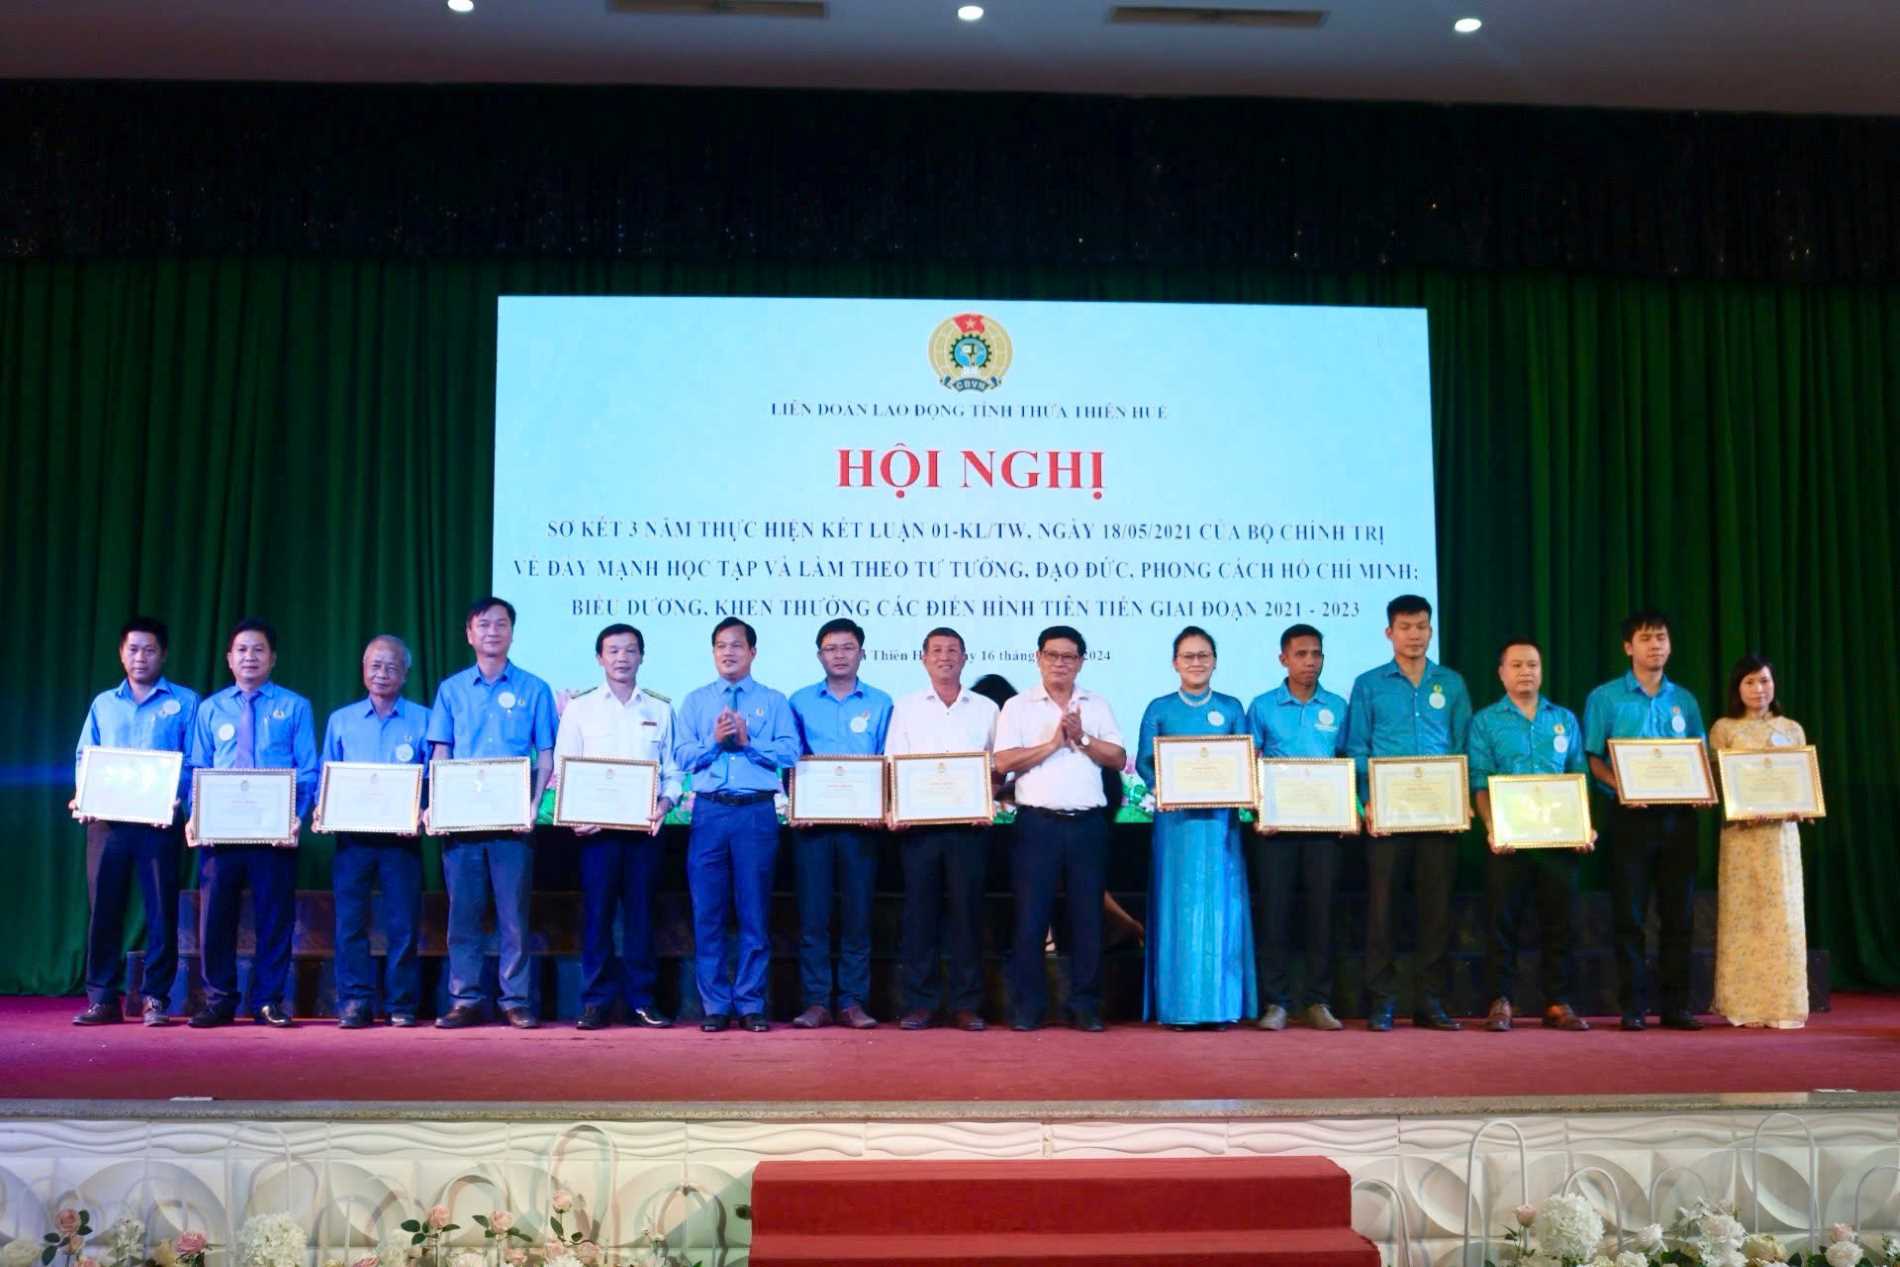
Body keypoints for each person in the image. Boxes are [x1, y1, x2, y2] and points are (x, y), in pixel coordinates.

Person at [426, 596, 556, 1029]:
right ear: (469, 634)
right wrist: (440, 806)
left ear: (512, 633)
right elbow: (441, 752)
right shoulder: (451, 689)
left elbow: (546, 755)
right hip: (462, 824)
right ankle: (465, 999)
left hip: (514, 824)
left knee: (513, 916)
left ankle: (515, 1000)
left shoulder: (534, 688)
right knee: (463, 914)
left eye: (501, 624)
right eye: (483, 625)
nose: (492, 632)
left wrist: (534, 804)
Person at [1343, 595, 1472, 1032]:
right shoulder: (1368, 684)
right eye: (1405, 627)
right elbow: (1358, 749)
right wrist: (1367, 802)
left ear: (1431, 630)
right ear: (1389, 633)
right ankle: (1382, 1002)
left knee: (1436, 914)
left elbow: (1461, 746)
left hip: (1439, 816)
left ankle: (1431, 1001)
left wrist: (1458, 798)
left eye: (1421, 626)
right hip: (1388, 817)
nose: (1414, 635)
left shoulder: (1451, 683)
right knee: (1383, 912)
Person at [185, 618, 318, 1029]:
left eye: (259, 649)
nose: (250, 657)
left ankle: (267, 1000)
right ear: (229, 658)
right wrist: (195, 814)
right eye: (241, 649)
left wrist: (296, 819)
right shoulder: (210, 709)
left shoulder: (295, 707)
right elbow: (197, 768)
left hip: (275, 835)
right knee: (215, 919)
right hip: (219, 835)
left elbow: (308, 771)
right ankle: (219, 999)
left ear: (273, 658)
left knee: (275, 919)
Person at [994, 625, 1126, 1032]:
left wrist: (1081, 737)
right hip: (1038, 825)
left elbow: (1118, 758)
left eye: (1068, 656)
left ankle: (1084, 1005)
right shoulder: (1018, 706)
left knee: (1087, 919)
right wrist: (1052, 744)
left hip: (1087, 825)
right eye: (1052, 655)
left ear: (1081, 661)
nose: (1060, 663)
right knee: (1031, 919)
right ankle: (1028, 1007)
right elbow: (1003, 762)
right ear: (1038, 658)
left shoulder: (1097, 704)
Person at [1583, 609, 1708, 1031]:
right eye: (1646, 638)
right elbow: (1592, 759)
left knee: (1680, 915)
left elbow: (1699, 758)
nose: (1655, 645)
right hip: (1629, 819)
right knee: (1629, 915)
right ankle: (1633, 1006)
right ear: (1628, 646)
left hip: (1680, 820)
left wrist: (1703, 788)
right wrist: (1620, 788)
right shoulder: (1605, 697)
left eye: (1662, 638)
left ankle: (1676, 1006)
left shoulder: (1684, 700)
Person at [674, 616, 801, 1033]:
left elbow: (789, 754)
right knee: (708, 911)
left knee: (753, 910)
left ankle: (750, 1003)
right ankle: (714, 1005)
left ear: (753, 652)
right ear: (713, 653)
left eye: (737, 645)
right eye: (721, 646)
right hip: (710, 812)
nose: (728, 652)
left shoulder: (774, 700)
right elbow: (683, 758)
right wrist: (715, 742)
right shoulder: (694, 702)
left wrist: (749, 743)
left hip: (755, 813)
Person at [70, 617, 199, 1027]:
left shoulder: (186, 702)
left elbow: (193, 761)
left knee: (161, 912)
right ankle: (102, 998)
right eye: (133, 649)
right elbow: (84, 757)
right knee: (104, 909)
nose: (140, 657)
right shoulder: (104, 704)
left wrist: (173, 801)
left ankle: (156, 997)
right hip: (106, 825)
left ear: (163, 654)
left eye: (149, 650)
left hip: (159, 825)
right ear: (121, 654)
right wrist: (85, 795)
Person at [553, 622, 682, 1031]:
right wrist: (576, 816)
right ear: (599, 659)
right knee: (597, 918)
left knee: (643, 918)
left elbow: (674, 771)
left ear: (642, 656)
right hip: (597, 836)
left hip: (644, 833)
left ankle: (643, 1000)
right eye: (613, 651)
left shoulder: (660, 708)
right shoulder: (581, 708)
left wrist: (665, 802)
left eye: (630, 650)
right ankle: (595, 1001)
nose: (622, 658)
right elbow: (563, 768)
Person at [1467, 638, 1593, 1033]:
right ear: (1501, 673)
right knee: (1501, 923)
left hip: (1558, 840)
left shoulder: (1564, 719)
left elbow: (1578, 779)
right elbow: (1479, 782)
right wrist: (1491, 827)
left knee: (1562, 923)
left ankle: (1558, 1001)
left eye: (1533, 665)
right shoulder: (1486, 721)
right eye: (1517, 665)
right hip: (1507, 841)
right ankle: (1500, 1001)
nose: (1526, 672)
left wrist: (1583, 826)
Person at [1136, 626, 1255, 1029]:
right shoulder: (1159, 708)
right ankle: (1177, 1008)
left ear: (1215, 660)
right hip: (1176, 828)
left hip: (1221, 826)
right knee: (1177, 910)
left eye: (1203, 655)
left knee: (1222, 912)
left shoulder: (1232, 707)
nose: (1196, 663)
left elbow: (1245, 760)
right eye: (1188, 656)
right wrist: (1166, 788)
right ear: (1174, 663)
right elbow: (1146, 764)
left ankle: (1221, 1007)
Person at [886, 628, 1000, 1031]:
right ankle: (921, 1003)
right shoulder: (907, 707)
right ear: (923, 659)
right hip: (920, 830)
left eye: (953, 650)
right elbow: (893, 763)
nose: (945, 656)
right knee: (921, 916)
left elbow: (997, 767)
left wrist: (987, 800)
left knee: (968, 916)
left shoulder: (986, 708)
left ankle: (967, 1004)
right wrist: (898, 807)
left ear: (966, 658)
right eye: (937, 650)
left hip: (970, 829)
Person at [321, 635, 431, 1029]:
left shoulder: (424, 719)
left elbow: (433, 778)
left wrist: (423, 810)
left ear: (405, 673)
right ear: (363, 669)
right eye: (375, 665)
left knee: (403, 923)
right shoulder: (341, 720)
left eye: (391, 666)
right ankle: (354, 1001)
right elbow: (326, 777)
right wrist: (324, 808)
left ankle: (401, 1003)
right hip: (353, 840)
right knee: (350, 923)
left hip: (402, 840)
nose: (382, 673)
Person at [787, 618, 892, 1030]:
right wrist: (797, 803)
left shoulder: (882, 703)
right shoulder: (798, 701)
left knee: (857, 917)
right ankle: (815, 1001)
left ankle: (852, 1002)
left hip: (861, 827)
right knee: (813, 917)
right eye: (831, 649)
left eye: (848, 647)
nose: (840, 655)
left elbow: (889, 762)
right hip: (812, 825)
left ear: (862, 653)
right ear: (819, 655)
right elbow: (790, 761)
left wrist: (881, 805)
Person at [1245, 622, 1349, 1032]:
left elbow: (1347, 763)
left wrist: (1348, 810)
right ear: (1283, 659)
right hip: (1276, 832)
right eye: (1302, 654)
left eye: (1317, 654)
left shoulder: (1338, 706)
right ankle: (1277, 1002)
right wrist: (1259, 813)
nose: (1310, 662)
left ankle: (1319, 1001)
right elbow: (1251, 763)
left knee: (1322, 915)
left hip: (1325, 830)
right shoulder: (1264, 706)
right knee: (1276, 915)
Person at [1709, 655, 1809, 1028]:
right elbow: (1716, 783)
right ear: (1738, 688)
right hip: (1741, 836)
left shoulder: (1792, 729)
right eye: (1750, 682)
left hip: (1781, 838)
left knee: (1783, 914)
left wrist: (1802, 806)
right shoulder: (1724, 729)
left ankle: (1784, 1005)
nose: (1759, 689)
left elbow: (1802, 783)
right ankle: (1744, 1005)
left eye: (1765, 681)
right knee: (1744, 915)